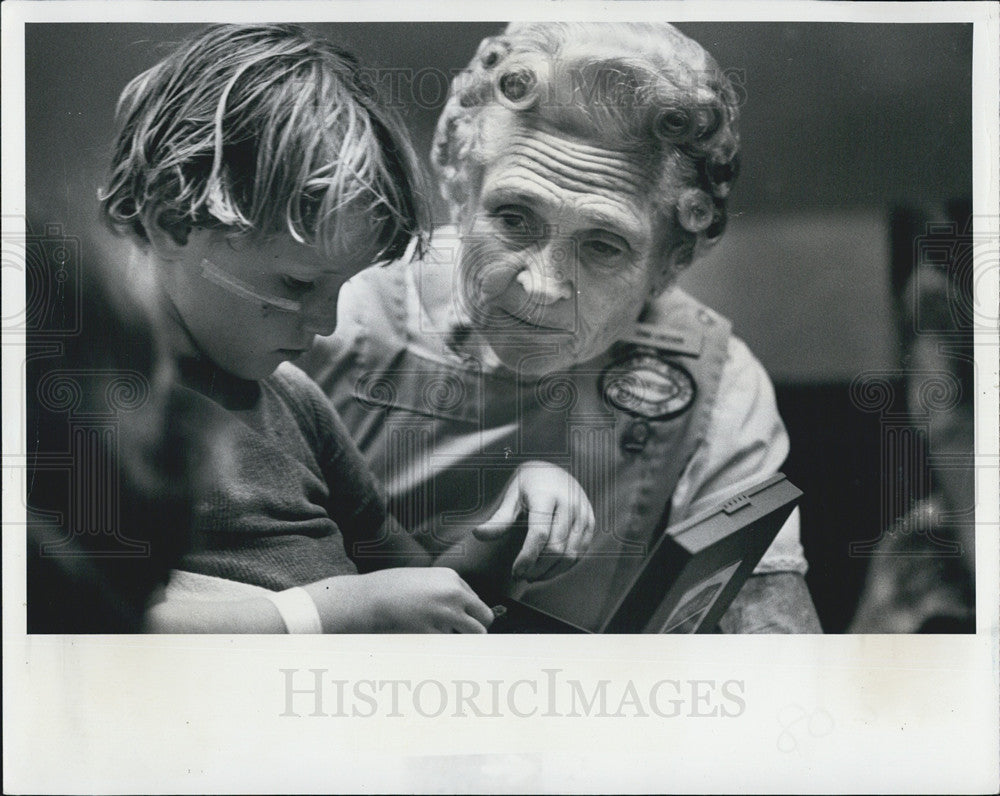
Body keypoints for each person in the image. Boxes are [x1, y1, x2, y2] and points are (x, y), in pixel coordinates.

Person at [300, 22, 823, 632]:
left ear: (669, 265)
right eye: (514, 219)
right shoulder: (338, 309)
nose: (542, 285)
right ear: (460, 193)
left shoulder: (719, 387)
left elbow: (772, 639)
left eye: (603, 246)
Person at [98, 24, 593, 633]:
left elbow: (419, 589)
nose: (325, 323)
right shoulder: (84, 404)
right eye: (299, 285)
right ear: (173, 220)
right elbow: (99, 630)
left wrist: (513, 524)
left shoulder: (293, 400)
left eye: (340, 289)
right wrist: (331, 613)